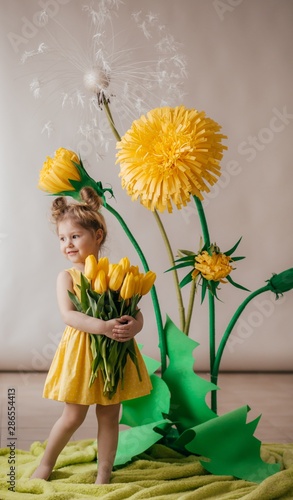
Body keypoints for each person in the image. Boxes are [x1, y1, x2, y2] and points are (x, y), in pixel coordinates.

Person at [31, 187, 152, 484]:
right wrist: (103, 326)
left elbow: (135, 311)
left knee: (110, 415)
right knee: (73, 416)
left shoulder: (117, 274)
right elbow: (68, 315)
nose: (67, 244)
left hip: (115, 353)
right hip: (83, 353)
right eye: (62, 238)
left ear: (97, 235)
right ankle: (46, 465)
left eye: (75, 236)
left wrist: (133, 327)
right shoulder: (68, 278)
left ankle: (104, 472)